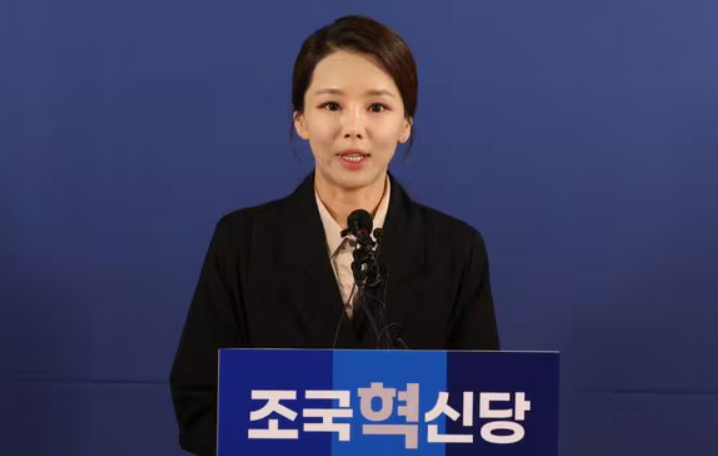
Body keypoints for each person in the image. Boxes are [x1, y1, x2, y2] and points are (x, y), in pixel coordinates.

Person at [169, 15, 499, 456]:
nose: (353, 127)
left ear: (406, 124)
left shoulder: (456, 250)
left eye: (377, 107)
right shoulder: (242, 242)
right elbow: (199, 402)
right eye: (331, 106)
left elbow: (482, 410)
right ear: (301, 119)